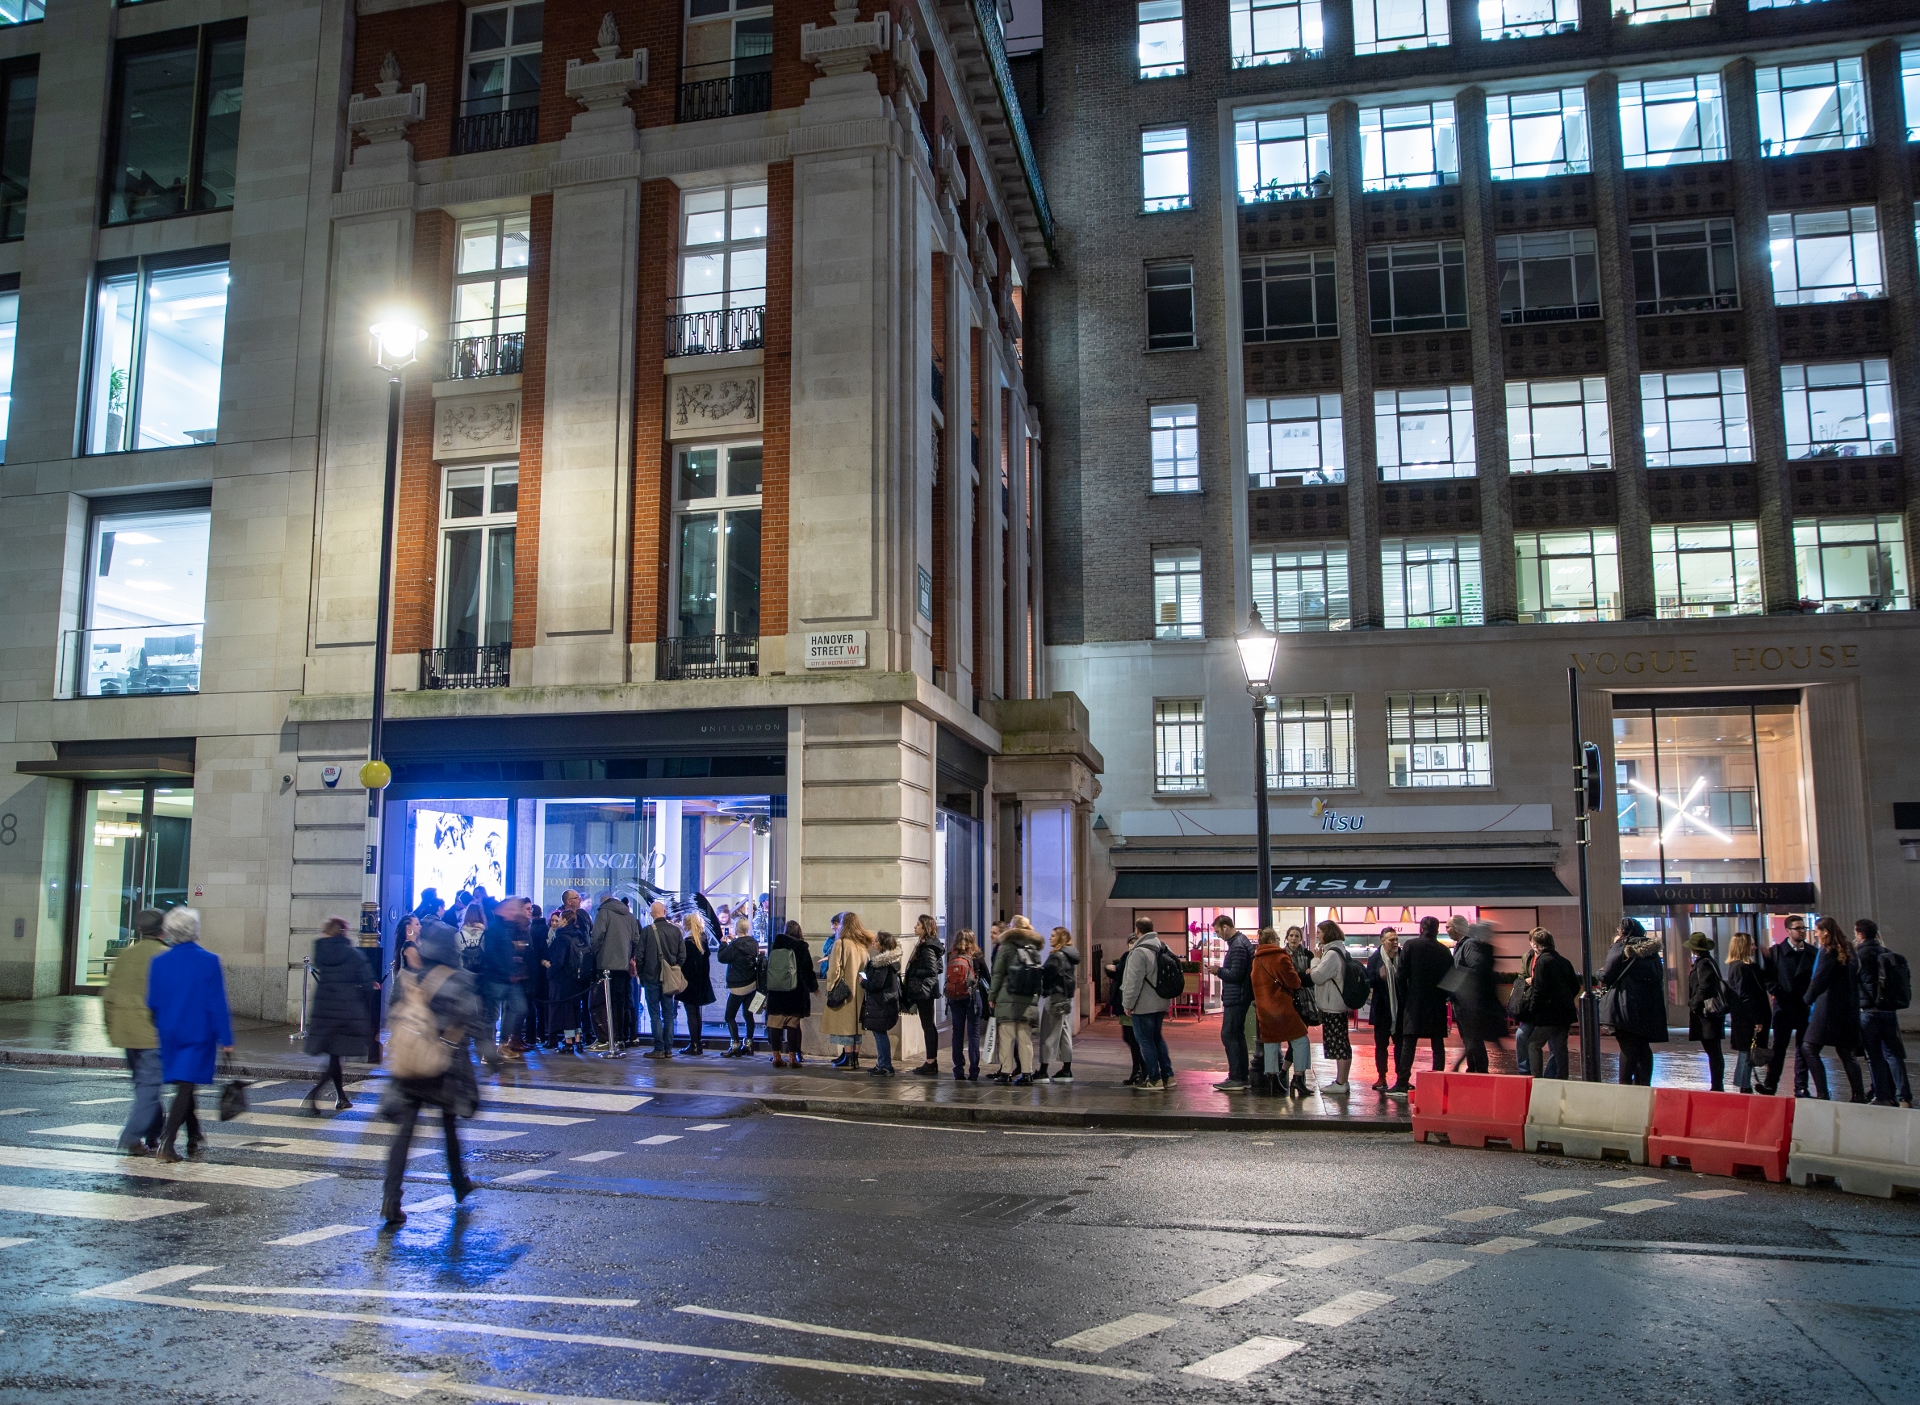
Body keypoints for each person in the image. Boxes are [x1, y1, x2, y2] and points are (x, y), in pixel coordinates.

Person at [378, 922, 480, 1228]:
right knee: (449, 1127)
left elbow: (394, 1012)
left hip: (410, 1065)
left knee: (404, 1134)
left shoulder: (409, 976)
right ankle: (459, 1182)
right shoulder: (460, 979)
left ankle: (391, 1197)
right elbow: (474, 1019)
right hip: (444, 1066)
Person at [146, 908, 232, 1163]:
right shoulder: (209, 960)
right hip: (198, 1031)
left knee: (186, 1084)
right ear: (194, 930)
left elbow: (152, 1002)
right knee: (186, 1087)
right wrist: (226, 1039)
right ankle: (167, 1142)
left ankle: (194, 1133)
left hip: (169, 1031)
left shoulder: (159, 961)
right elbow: (217, 1004)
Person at [104, 908, 169, 1155]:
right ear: (164, 930)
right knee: (149, 1089)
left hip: (126, 1034)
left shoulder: (126, 955)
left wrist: (111, 1028)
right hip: (152, 1034)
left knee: (145, 1088)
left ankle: (153, 1134)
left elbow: (108, 997)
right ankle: (131, 1137)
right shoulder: (165, 956)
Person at [304, 916, 374, 1112]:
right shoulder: (353, 954)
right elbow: (367, 982)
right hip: (345, 1011)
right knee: (335, 1057)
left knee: (334, 1057)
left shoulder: (321, 952)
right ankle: (316, 1093)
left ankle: (340, 1097)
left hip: (324, 1010)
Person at [1804, 916, 1866, 1102]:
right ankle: (1858, 1094)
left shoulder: (1828, 951)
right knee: (1846, 1053)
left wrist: (1807, 999)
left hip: (1828, 1010)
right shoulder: (1848, 950)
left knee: (1809, 1048)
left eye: (1817, 931)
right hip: (1848, 1010)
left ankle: (1823, 1093)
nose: (1815, 934)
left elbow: (1819, 979)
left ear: (1825, 932)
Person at [1389, 916, 1453, 1095]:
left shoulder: (1411, 945)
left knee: (1409, 1043)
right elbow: (1450, 979)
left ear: (1421, 928)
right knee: (1437, 1044)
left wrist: (1404, 997)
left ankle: (1402, 1081)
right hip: (1436, 1003)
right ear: (1437, 930)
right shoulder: (1444, 951)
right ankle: (1437, 1081)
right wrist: (1443, 997)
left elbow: (1400, 975)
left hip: (1414, 1002)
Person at [1599, 916, 1666, 1086]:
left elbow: (1607, 975)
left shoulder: (1621, 946)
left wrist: (1599, 973)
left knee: (1627, 1045)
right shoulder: (1652, 951)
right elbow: (1658, 976)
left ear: (1622, 931)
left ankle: (1625, 1085)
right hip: (1647, 1005)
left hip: (1625, 1004)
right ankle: (1644, 1084)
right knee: (1643, 1046)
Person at [1854, 918, 1912, 1107]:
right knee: (1893, 1055)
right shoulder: (1887, 952)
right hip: (1888, 1010)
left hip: (1868, 1011)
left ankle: (1883, 1096)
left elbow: (1854, 983)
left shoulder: (1858, 955)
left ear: (1859, 933)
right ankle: (1904, 1097)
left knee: (1874, 1056)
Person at [1759, 914, 1816, 1097]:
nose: (1802, 931)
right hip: (1784, 1007)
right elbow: (1767, 978)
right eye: (1797, 928)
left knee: (1803, 1048)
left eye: (1803, 928)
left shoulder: (1813, 952)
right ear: (1788, 931)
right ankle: (1770, 1085)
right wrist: (1778, 992)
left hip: (1804, 1007)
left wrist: (1809, 998)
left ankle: (1801, 1086)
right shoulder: (1775, 952)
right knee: (1779, 1048)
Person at [988, 915, 1046, 1085]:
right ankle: (1027, 1074)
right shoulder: (1034, 949)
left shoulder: (1006, 947)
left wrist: (992, 996)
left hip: (1007, 997)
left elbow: (998, 974)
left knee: (1006, 1038)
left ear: (1013, 927)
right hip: (1028, 1000)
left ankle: (1006, 1072)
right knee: (1025, 1039)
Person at [1252, 927, 1308, 1097]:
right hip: (1282, 1008)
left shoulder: (1257, 959)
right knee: (1301, 1040)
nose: (1278, 940)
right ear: (1272, 940)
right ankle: (1298, 1078)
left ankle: (1272, 1080)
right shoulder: (1280, 957)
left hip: (1264, 1008)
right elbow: (1294, 982)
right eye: (1277, 938)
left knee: (1271, 1042)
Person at [478, 896, 532, 1071]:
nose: (514, 912)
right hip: (496, 978)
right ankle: (488, 1051)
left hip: (508, 978)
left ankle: (502, 1044)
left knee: (519, 1007)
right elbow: (492, 955)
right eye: (511, 909)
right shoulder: (495, 930)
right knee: (492, 1016)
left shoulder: (509, 928)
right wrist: (507, 971)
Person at [1120, 917, 1174, 1091]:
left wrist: (1127, 1004)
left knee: (1145, 1040)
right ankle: (1168, 1076)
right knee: (1157, 1038)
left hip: (1143, 1005)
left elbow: (1133, 982)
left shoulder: (1139, 952)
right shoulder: (1163, 947)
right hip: (1161, 1001)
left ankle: (1154, 1079)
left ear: (1137, 930)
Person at [1521, 929, 1579, 1080]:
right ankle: (1562, 1077)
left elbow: (1539, 989)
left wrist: (1533, 1009)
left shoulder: (1542, 962)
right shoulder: (1564, 961)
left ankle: (1537, 1077)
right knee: (1560, 1047)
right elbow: (1575, 986)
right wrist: (1565, 999)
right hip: (1565, 1012)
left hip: (1549, 1014)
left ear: (1536, 945)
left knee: (1533, 1044)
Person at [1308, 920, 1358, 1094]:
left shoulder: (1331, 954)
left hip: (1333, 1006)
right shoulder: (1339, 950)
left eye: (1319, 932)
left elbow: (1317, 976)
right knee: (1341, 1042)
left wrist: (1315, 959)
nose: (1317, 935)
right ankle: (1342, 1080)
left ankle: (1341, 1082)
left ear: (1327, 933)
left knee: (1339, 1044)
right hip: (1338, 1004)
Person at [543, 894, 595, 1054]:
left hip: (563, 980)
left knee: (566, 1012)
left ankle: (568, 1042)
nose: (557, 921)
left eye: (559, 919)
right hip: (577, 980)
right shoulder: (579, 936)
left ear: (565, 921)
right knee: (575, 1009)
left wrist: (549, 970)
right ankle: (578, 1041)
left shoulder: (562, 938)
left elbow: (558, 962)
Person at [762, 919, 818, 1067]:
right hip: (795, 992)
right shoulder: (801, 947)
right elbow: (807, 970)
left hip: (776, 991)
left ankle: (776, 1057)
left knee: (775, 1024)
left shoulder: (776, 944)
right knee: (793, 1025)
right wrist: (814, 987)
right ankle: (793, 1058)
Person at [1449, 920, 1502, 1074]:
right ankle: (1473, 1069)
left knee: (1472, 1038)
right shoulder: (1464, 945)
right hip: (1467, 1001)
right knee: (1471, 1038)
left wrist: (1456, 983)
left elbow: (1476, 968)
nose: (1446, 929)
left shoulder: (1469, 945)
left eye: (1448, 926)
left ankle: (1478, 1070)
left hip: (1470, 1002)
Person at [1210, 913, 1255, 1093]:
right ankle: (1241, 1076)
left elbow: (1236, 974)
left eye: (1217, 931)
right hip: (1239, 996)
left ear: (1225, 927)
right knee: (1237, 1035)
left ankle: (1237, 1077)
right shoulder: (1240, 943)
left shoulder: (1237, 946)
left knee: (1229, 1034)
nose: (1218, 935)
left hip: (1237, 997)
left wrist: (1218, 971)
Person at [1723, 931, 1772, 1095]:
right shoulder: (1740, 967)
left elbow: (1764, 978)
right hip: (1746, 1019)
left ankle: (1744, 1084)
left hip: (1751, 1017)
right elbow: (1745, 995)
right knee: (1747, 1052)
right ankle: (1744, 1085)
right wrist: (1756, 1019)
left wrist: (1767, 959)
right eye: (1751, 944)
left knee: (1749, 1052)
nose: (1754, 947)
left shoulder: (1749, 966)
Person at [823, 913, 873, 1069]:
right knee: (856, 1026)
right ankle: (854, 1059)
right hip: (860, 990)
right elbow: (867, 968)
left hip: (845, 990)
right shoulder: (863, 945)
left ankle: (848, 1058)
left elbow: (834, 969)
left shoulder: (841, 943)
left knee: (845, 1026)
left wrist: (830, 986)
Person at [590, 893, 639, 1050]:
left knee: (604, 1004)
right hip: (623, 966)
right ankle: (620, 1038)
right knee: (622, 1003)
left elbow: (597, 936)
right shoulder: (629, 916)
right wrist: (629, 956)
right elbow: (636, 940)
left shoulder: (603, 912)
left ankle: (607, 1039)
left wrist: (595, 953)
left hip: (606, 965)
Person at [639, 901, 685, 1059]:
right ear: (664, 912)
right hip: (669, 979)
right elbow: (682, 955)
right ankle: (668, 1048)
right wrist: (675, 968)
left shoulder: (647, 931)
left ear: (652, 914)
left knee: (654, 1014)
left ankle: (658, 1048)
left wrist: (641, 976)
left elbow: (640, 956)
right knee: (668, 1014)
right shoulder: (676, 931)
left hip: (651, 977)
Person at [1681, 932, 1727, 1092]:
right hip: (1709, 1014)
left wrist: (1693, 1003)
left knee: (1713, 1051)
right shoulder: (1707, 961)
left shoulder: (1704, 963)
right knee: (1714, 1051)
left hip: (1707, 1014)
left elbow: (1704, 987)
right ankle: (1717, 1085)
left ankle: (1717, 1085)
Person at [902, 915, 946, 1077]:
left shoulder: (927, 947)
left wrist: (914, 972)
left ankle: (930, 1062)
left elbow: (932, 969)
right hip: (925, 990)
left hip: (924, 991)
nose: (915, 927)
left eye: (918, 925)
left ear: (925, 928)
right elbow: (939, 968)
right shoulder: (927, 944)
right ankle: (931, 1061)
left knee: (928, 1026)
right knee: (928, 1026)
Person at [1036, 926, 1079, 1084]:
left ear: (1060, 938)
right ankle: (1066, 1069)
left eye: (1053, 936)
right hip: (1066, 998)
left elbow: (1047, 973)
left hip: (1055, 997)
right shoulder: (1069, 955)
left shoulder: (1056, 956)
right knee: (1064, 1034)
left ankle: (1043, 1071)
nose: (1050, 938)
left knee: (1048, 1033)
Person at [1104, 936, 1147, 1087]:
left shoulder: (1135, 957)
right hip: (1124, 1003)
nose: (1131, 945)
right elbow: (1119, 974)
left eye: (1134, 942)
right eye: (1130, 942)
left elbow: (1128, 977)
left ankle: (1140, 1070)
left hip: (1130, 1004)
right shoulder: (1127, 956)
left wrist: (1115, 968)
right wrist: (1111, 970)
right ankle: (1140, 1069)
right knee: (1129, 1037)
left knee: (1132, 1038)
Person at [862, 930, 905, 1076]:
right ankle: (881, 1063)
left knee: (880, 1034)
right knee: (878, 1033)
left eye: (876, 941)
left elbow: (876, 985)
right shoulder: (889, 962)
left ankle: (886, 1066)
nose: (873, 943)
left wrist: (863, 981)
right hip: (884, 1003)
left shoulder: (881, 964)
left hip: (881, 1003)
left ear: (883, 944)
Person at [946, 930, 987, 1081]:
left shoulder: (952, 955)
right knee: (973, 1034)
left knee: (957, 1033)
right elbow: (987, 977)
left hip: (955, 998)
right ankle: (974, 1070)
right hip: (972, 998)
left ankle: (958, 1070)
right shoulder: (976, 956)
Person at [720, 915, 763, 1057]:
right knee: (748, 1014)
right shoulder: (753, 943)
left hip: (738, 986)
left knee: (729, 1016)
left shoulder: (734, 945)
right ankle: (749, 1044)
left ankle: (735, 1045)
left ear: (736, 929)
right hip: (751, 983)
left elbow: (722, 958)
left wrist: (724, 944)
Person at [1364, 928, 1400, 1091]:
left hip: (1400, 1008)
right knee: (1381, 1045)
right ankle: (1382, 1077)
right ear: (1383, 941)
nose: (1395, 942)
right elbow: (1369, 981)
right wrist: (1379, 977)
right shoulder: (1375, 959)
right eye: (1391, 940)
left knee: (1401, 1045)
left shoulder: (1402, 956)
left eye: (1396, 939)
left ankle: (1401, 1078)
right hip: (1382, 1009)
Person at [678, 912, 715, 1056]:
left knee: (691, 1013)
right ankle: (697, 1043)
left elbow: (684, 964)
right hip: (701, 982)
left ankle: (694, 1044)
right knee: (696, 1012)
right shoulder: (702, 941)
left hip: (689, 982)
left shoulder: (688, 942)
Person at [457, 903, 487, 974]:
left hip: (463, 974)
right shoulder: (485, 935)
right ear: (481, 916)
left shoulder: (458, 935)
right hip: (482, 974)